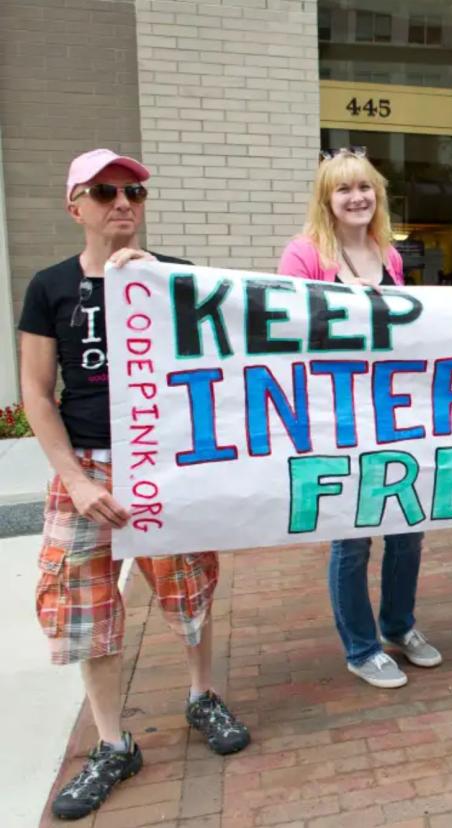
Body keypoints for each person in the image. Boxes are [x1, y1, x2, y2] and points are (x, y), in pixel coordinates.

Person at [18, 149, 250, 821]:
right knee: (84, 606)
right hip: (86, 467)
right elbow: (36, 391)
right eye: (104, 191)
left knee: (188, 586)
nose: (122, 202)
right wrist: (72, 477)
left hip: (164, 462)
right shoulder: (50, 286)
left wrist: (165, 284)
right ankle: (114, 743)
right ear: (76, 206)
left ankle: (202, 695)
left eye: (134, 192)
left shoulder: (174, 276)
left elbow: (230, 351)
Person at [278, 147, 442, 690]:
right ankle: (361, 646)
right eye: (344, 189)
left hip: (393, 410)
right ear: (326, 199)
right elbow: (289, 334)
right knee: (352, 536)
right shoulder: (304, 255)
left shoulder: (388, 256)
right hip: (337, 414)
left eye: (365, 187)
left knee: (408, 525)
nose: (357, 198)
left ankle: (399, 626)